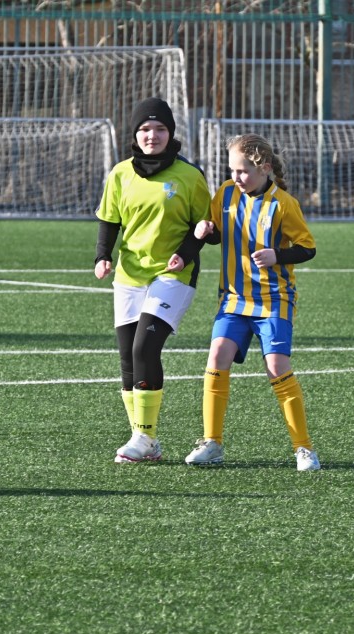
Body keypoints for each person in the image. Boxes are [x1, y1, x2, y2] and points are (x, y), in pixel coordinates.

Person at [185, 133, 320, 471]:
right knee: (217, 355)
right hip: (234, 298)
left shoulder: (283, 204)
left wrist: (278, 255)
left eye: (243, 171)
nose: (236, 177)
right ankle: (212, 442)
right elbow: (218, 233)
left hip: (274, 299)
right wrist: (206, 230)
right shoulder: (226, 193)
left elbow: (307, 248)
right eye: (232, 170)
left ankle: (304, 449)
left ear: (265, 169)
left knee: (276, 366)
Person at [94, 97, 212, 463]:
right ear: (134, 134)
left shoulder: (189, 175)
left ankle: (142, 438)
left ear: (171, 133)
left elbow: (206, 227)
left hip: (173, 275)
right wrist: (102, 255)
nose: (152, 135)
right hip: (130, 273)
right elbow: (109, 219)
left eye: (160, 129)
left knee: (145, 349)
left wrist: (187, 251)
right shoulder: (120, 174)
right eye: (145, 129)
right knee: (128, 357)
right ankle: (147, 441)